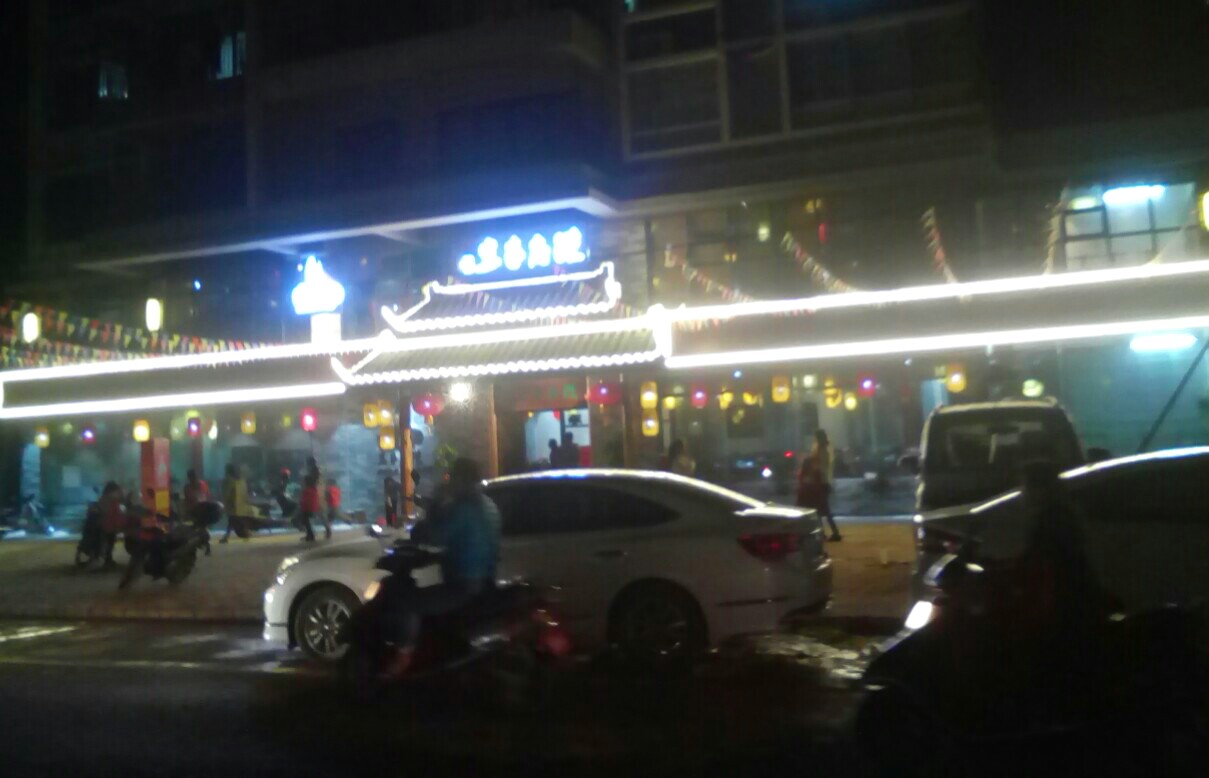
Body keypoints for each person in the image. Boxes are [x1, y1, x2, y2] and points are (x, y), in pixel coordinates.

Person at [381, 457, 501, 679]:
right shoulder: (488, 504)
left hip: (464, 586)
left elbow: (434, 535)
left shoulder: (464, 507)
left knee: (408, 603)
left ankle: (403, 657)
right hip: (486, 582)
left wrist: (432, 509)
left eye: (452, 477)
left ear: (460, 479)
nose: (450, 482)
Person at [806, 430, 841, 541]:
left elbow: (820, 467)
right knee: (822, 509)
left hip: (822, 483)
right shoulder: (825, 449)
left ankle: (831, 533)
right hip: (823, 483)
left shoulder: (822, 451)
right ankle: (828, 533)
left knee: (822, 509)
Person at [220, 464, 255, 544]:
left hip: (233, 505)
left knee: (232, 521)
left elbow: (227, 493)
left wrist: (225, 501)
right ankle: (245, 533)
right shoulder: (241, 480)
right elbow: (245, 493)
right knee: (237, 521)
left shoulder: (229, 480)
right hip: (241, 505)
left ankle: (227, 536)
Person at [98, 482, 127, 569]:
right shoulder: (113, 500)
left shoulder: (103, 498)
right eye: (116, 491)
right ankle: (108, 560)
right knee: (110, 543)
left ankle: (108, 560)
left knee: (109, 543)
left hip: (104, 524)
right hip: (110, 525)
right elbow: (116, 512)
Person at [299, 473, 323, 542]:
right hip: (313, 508)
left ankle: (311, 535)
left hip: (308, 508)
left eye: (304, 481)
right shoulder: (314, 489)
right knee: (306, 522)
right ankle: (310, 534)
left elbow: (305, 500)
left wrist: (301, 504)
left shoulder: (307, 490)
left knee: (305, 521)